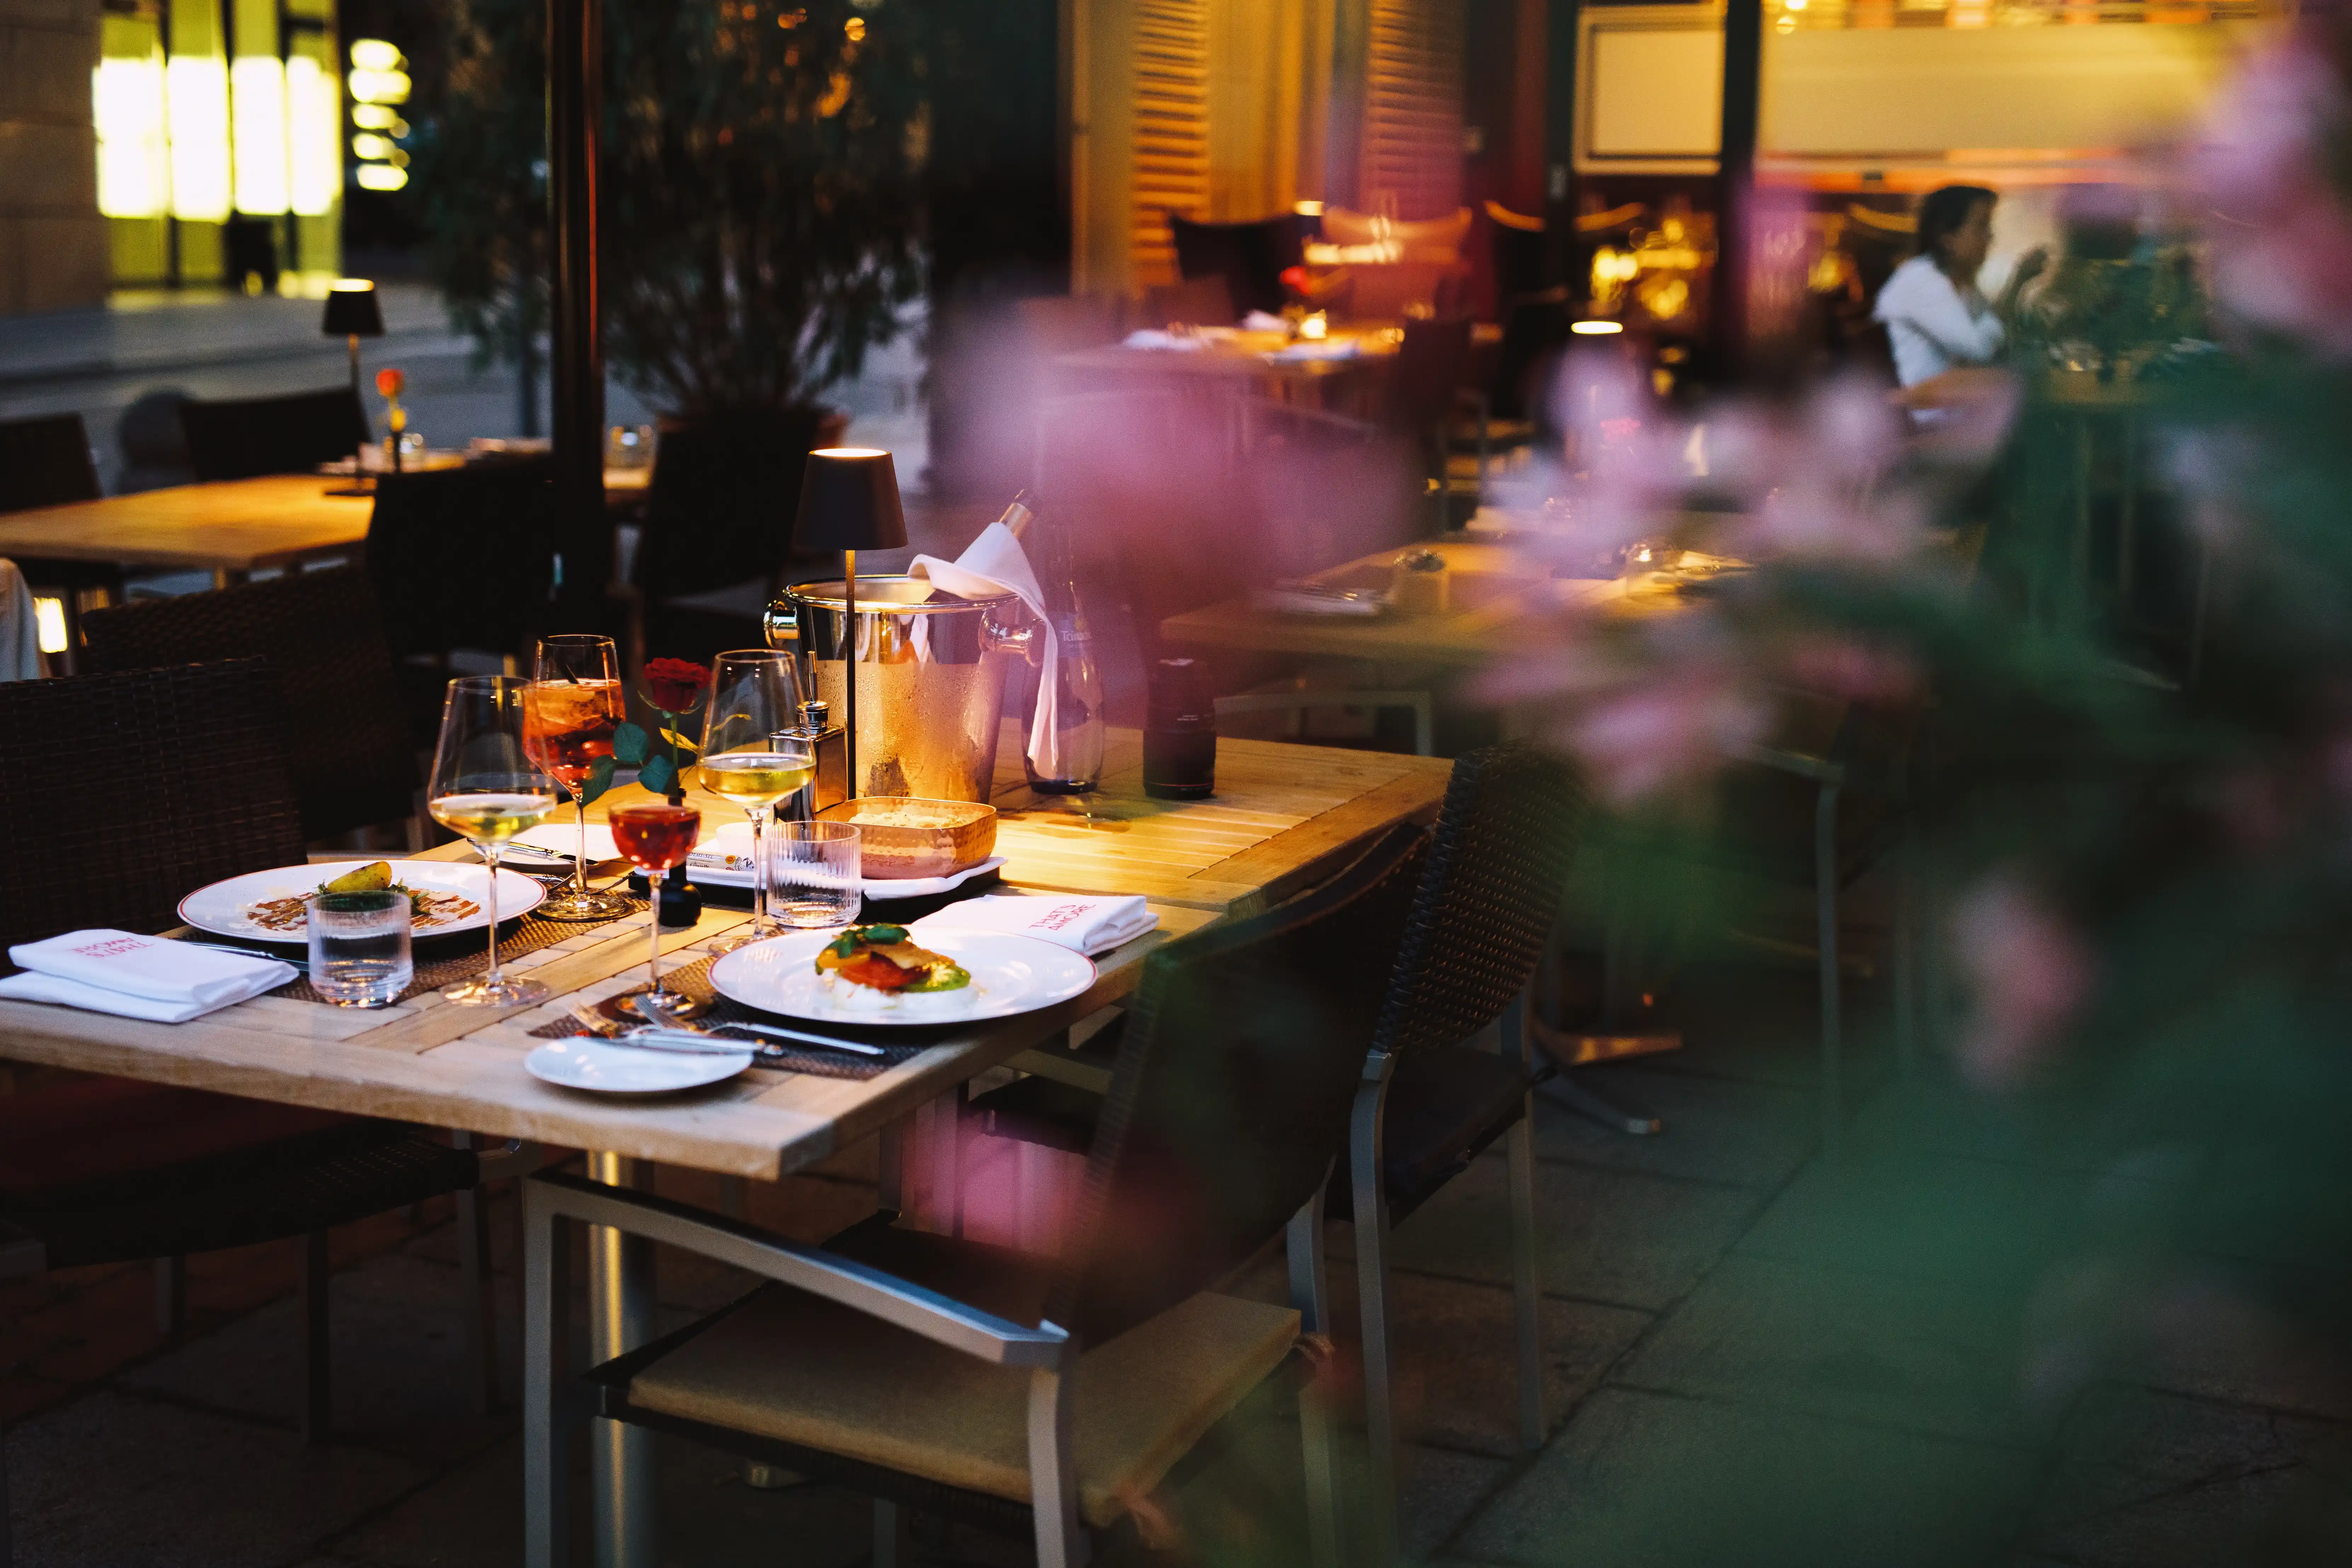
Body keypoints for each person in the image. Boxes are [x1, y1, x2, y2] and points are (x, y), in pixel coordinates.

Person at [1873, 184, 2048, 390]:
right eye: (1981, 227)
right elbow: (1981, 350)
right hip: (1922, 415)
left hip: (1953, 406)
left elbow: (1998, 339)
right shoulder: (1921, 281)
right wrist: (2018, 282)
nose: (1990, 237)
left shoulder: (1962, 285)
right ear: (1948, 238)